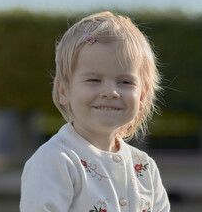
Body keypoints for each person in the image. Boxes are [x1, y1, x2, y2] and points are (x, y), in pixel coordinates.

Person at [20, 11, 170, 212]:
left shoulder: (144, 167)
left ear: (142, 97)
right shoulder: (55, 161)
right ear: (64, 90)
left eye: (125, 82)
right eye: (94, 80)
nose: (110, 92)